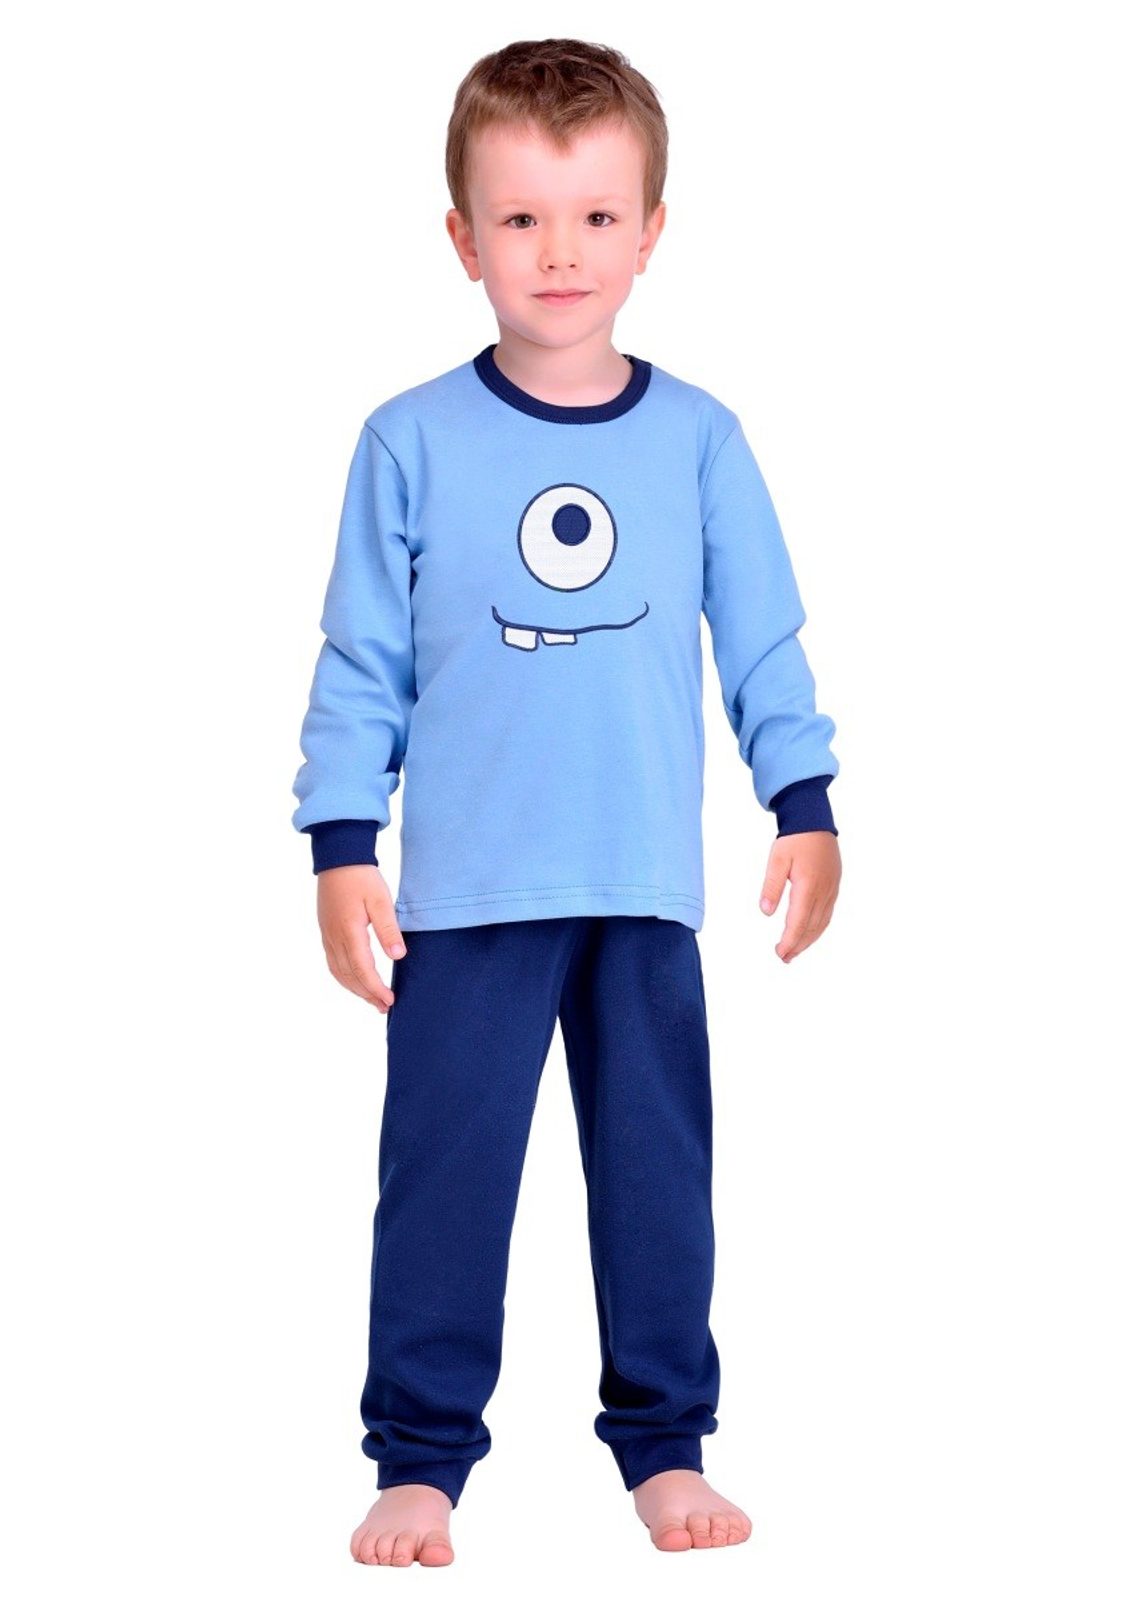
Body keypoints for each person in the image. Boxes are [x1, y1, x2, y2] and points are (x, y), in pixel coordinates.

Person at [290, 37, 842, 1567]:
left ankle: (666, 1443)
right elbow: (362, 660)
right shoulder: (409, 440)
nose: (559, 251)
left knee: (660, 1180)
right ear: (462, 236)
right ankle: (419, 1458)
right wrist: (341, 840)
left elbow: (764, 634)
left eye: (596, 215)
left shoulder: (700, 439)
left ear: (651, 231)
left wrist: (803, 797)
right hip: (465, 897)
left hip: (641, 885)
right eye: (522, 217)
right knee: (443, 1183)